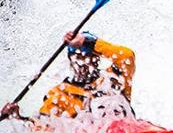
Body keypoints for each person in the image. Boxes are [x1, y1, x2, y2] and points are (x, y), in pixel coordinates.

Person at [1, 30, 136, 124]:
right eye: (78, 56)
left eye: (89, 57)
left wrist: (86, 42)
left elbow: (127, 56)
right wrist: (18, 118)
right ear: (70, 59)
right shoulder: (60, 95)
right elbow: (43, 128)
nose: (84, 62)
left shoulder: (113, 78)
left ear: (97, 59)